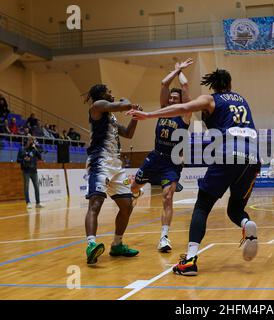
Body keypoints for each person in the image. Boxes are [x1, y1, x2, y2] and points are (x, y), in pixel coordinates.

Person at [128, 69, 261, 276]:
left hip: (228, 153)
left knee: (202, 207)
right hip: (253, 158)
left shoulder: (211, 99)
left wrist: (149, 115)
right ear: (230, 83)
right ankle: (246, 223)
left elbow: (182, 106)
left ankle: (189, 261)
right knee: (235, 209)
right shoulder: (242, 100)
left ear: (213, 85)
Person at [130, 58, 193, 253]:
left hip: (172, 161)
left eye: (176, 99)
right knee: (132, 189)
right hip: (155, 157)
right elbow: (164, 84)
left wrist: (181, 71)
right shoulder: (163, 111)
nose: (172, 100)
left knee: (167, 197)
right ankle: (137, 190)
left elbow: (185, 85)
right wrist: (175, 71)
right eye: (171, 98)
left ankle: (164, 237)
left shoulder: (185, 114)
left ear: (181, 102)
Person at [83, 84, 142, 265]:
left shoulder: (112, 116)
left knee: (127, 205)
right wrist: (128, 103)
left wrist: (135, 117)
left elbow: (128, 134)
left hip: (116, 165)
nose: (112, 93)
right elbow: (125, 104)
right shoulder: (98, 106)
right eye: (109, 91)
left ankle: (117, 245)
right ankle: (91, 245)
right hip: (100, 162)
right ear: (101, 94)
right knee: (96, 203)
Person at [17, 135, 44, 209]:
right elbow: (18, 160)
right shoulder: (22, 149)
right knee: (26, 187)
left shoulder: (34, 149)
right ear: (27, 141)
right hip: (26, 171)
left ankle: (38, 203)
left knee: (37, 187)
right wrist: (24, 160)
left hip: (34, 171)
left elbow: (40, 157)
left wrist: (35, 148)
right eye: (30, 140)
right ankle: (28, 202)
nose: (31, 142)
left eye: (32, 140)